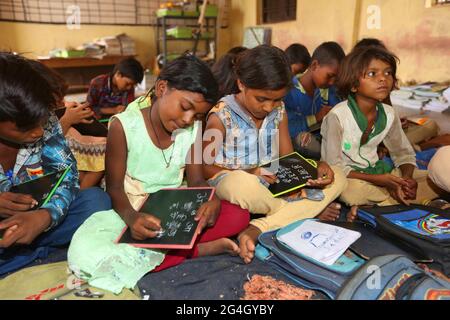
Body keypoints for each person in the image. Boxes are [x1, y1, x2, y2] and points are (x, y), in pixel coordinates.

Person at [67, 54, 250, 293]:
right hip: (133, 207)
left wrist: (211, 197)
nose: (187, 120)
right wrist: (132, 219)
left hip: (176, 206)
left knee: (239, 216)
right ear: (162, 88)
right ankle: (195, 250)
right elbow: (113, 188)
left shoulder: (193, 127)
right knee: (86, 253)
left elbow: (195, 178)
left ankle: (170, 251)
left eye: (196, 115)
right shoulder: (124, 125)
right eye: (185, 107)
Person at [202, 45, 347, 264]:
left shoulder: (279, 111)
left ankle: (260, 226)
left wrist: (314, 167)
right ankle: (302, 210)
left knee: (339, 175)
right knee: (242, 184)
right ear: (241, 84)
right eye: (261, 99)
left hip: (273, 180)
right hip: (233, 179)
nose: (269, 107)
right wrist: (252, 171)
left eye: (277, 99)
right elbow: (204, 168)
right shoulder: (220, 115)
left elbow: (287, 158)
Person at [0, 53, 111, 276]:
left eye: (42, 121)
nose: (40, 132)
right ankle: (30, 250)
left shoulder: (44, 119)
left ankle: (24, 250)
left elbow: (67, 176)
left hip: (41, 214)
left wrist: (45, 216)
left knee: (96, 201)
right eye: (25, 127)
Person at [321, 46, 441, 221]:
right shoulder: (337, 117)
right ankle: (394, 200)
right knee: (351, 191)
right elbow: (334, 168)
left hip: (383, 174)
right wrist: (380, 180)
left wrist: (406, 180)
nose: (383, 79)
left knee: (433, 178)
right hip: (353, 178)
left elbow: (403, 154)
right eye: (372, 74)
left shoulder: (389, 114)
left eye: (388, 73)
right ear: (354, 84)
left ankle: (385, 202)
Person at [29, 61, 105, 189]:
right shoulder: (30, 123)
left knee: (103, 147)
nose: (60, 103)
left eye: (61, 99)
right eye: (55, 101)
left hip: (64, 149)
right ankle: (81, 191)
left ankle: (82, 190)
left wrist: (75, 113)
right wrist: (67, 120)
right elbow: (44, 147)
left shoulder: (54, 106)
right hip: (49, 163)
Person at [283, 42, 345, 159]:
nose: (332, 82)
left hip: (325, 142)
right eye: (329, 76)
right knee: (303, 140)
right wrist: (316, 117)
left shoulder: (329, 91)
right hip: (298, 144)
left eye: (336, 79)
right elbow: (286, 129)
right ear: (315, 65)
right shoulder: (288, 91)